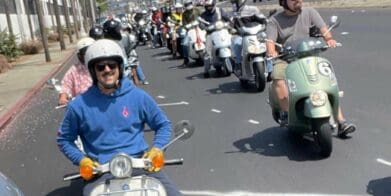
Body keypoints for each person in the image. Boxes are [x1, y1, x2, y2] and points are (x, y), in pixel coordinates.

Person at [57, 39, 181, 196]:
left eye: (112, 65)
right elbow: (64, 139)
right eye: (100, 66)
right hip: (101, 172)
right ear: (93, 71)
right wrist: (82, 160)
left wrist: (157, 148)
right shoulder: (78, 106)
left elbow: (163, 124)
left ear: (120, 67)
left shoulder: (138, 96)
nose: (107, 70)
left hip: (141, 166)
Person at [266, 0, 356, 137]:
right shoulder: (274, 20)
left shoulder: (309, 12)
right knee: (278, 77)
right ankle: (286, 113)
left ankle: (341, 122)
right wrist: (272, 51)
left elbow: (323, 28)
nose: (298, 0)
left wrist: (329, 39)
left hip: (308, 54)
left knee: (327, 78)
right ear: (284, 2)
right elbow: (270, 42)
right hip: (286, 57)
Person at [103, 18, 149, 85]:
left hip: (125, 69)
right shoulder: (103, 44)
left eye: (115, 30)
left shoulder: (124, 37)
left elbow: (129, 50)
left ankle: (140, 81)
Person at [230, 0, 269, 73]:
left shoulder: (252, 9)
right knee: (237, 44)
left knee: (268, 43)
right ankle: (238, 65)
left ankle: (270, 67)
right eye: (233, 2)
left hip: (256, 34)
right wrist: (231, 29)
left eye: (235, 2)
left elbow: (262, 18)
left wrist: (265, 23)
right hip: (242, 36)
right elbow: (231, 24)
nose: (234, 4)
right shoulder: (233, 13)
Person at [58, 37, 95, 106]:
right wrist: (63, 98)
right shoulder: (74, 70)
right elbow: (66, 85)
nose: (89, 56)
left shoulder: (102, 66)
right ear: (79, 56)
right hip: (82, 106)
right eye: (85, 54)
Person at [200, 0, 231, 78]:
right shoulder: (203, 15)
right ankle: (206, 70)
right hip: (210, 34)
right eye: (207, 6)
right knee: (207, 52)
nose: (209, 8)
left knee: (233, 42)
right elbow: (201, 24)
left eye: (210, 6)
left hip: (222, 31)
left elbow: (228, 18)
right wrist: (205, 27)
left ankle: (236, 61)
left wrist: (229, 22)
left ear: (213, 5)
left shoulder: (220, 11)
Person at [180, 0, 202, 67]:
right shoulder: (184, 14)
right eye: (186, 4)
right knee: (185, 43)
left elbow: (203, 17)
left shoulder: (197, 10)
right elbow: (184, 24)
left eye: (189, 4)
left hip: (199, 28)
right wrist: (188, 26)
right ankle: (186, 59)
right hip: (190, 30)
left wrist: (201, 22)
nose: (188, 5)